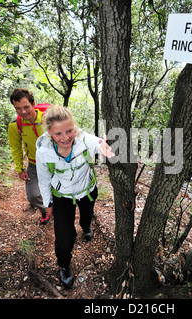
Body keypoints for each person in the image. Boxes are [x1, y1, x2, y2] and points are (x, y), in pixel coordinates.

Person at [35, 105, 114, 288]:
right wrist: (47, 203)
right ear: (49, 133)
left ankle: (86, 226)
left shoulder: (83, 139)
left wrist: (101, 146)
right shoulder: (43, 152)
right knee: (64, 238)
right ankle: (64, 265)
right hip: (62, 196)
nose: (65, 138)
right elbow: (44, 180)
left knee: (87, 216)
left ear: (75, 128)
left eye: (69, 131)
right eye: (58, 134)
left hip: (87, 190)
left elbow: (95, 142)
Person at [7, 88, 50, 225]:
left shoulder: (48, 118)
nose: (23, 111)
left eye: (26, 107)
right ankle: (45, 211)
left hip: (55, 162)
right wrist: (20, 169)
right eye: (18, 108)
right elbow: (15, 147)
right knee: (32, 195)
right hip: (34, 164)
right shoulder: (15, 125)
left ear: (33, 104)